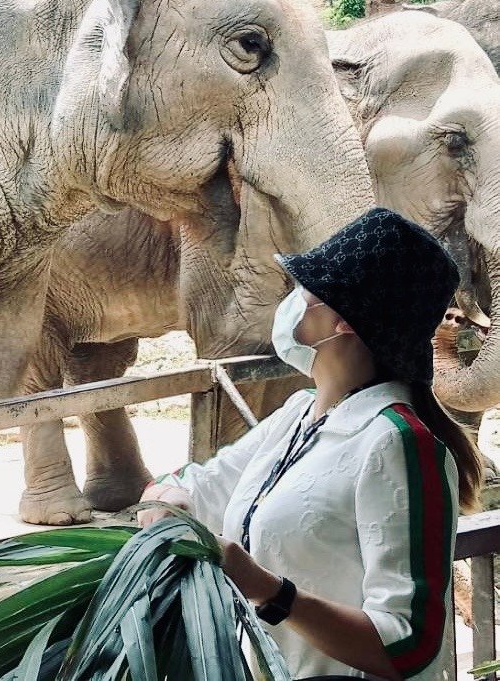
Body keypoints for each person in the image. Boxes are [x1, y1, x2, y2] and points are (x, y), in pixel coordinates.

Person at [138, 207, 483, 681]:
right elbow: (194, 487)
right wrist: (165, 502)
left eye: (306, 289)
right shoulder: (298, 415)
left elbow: (407, 643)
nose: (293, 297)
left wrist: (269, 591)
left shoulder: (399, 444)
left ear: (344, 322)